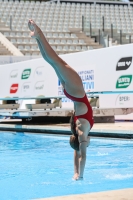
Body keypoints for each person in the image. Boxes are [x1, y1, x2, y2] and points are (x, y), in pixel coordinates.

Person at [28, 19, 94, 180]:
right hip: (71, 93)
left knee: (56, 60)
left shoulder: (82, 134)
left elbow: (82, 157)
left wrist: (81, 175)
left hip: (77, 92)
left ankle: (38, 32)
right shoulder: (77, 132)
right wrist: (75, 173)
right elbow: (76, 153)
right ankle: (36, 37)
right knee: (52, 62)